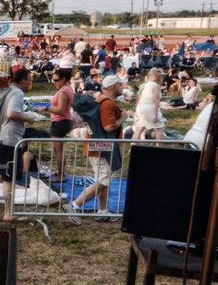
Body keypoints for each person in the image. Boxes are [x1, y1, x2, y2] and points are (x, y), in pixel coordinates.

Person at [0, 67, 40, 222]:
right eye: (30, 81)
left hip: (0, 137)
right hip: (9, 139)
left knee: (3, 173)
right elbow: (11, 114)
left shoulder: (5, 91)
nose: (31, 84)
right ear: (23, 80)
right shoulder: (17, 93)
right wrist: (28, 118)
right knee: (8, 177)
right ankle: (7, 213)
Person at [70, 75, 124, 218]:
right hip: (102, 149)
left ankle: (102, 211)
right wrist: (123, 118)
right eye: (120, 84)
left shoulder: (101, 100)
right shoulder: (108, 104)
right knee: (103, 181)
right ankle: (73, 206)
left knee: (103, 181)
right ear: (112, 86)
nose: (122, 86)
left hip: (99, 147)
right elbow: (109, 127)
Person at [46, 69, 73, 181]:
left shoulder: (63, 91)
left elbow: (61, 110)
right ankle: (60, 173)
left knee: (59, 151)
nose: (54, 82)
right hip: (64, 121)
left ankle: (60, 176)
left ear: (64, 79)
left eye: (56, 80)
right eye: (53, 80)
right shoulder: (68, 88)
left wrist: (47, 109)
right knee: (59, 150)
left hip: (60, 122)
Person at [131, 68, 165, 140]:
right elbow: (155, 101)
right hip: (149, 107)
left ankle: (133, 144)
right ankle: (159, 146)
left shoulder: (145, 85)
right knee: (159, 128)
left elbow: (139, 97)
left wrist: (136, 111)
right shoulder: (155, 86)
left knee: (139, 128)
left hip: (141, 107)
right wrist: (155, 115)